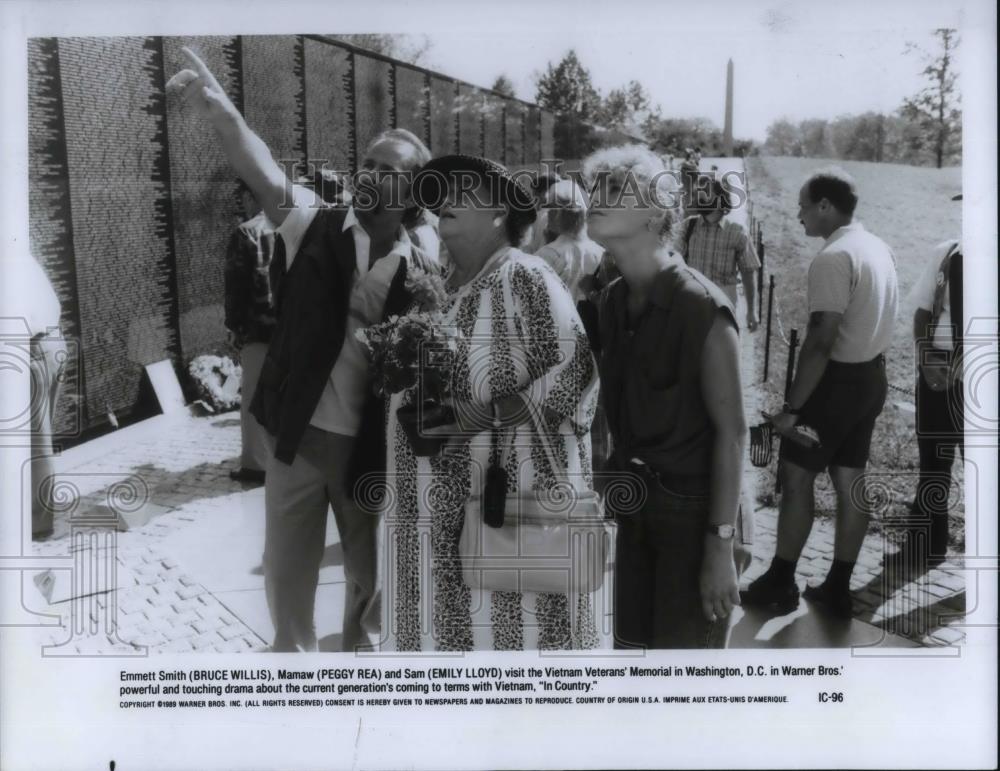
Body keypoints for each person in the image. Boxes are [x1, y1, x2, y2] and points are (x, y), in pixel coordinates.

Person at [168, 48, 438, 653]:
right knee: (289, 584)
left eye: (387, 169)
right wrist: (219, 107)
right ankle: (294, 672)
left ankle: (356, 678)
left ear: (413, 189)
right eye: (367, 163)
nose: (370, 174)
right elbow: (259, 167)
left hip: (366, 451)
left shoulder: (422, 268)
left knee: (368, 588)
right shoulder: (312, 223)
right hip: (297, 438)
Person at [377, 154, 605, 651]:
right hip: (432, 518)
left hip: (507, 516)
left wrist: (479, 416)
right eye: (442, 193)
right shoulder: (437, 288)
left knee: (508, 663)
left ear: (501, 212)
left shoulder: (523, 275)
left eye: (464, 191)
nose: (446, 202)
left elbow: (574, 373)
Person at [582, 145, 749, 649]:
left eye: (614, 188)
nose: (596, 197)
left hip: (697, 517)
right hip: (636, 511)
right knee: (634, 662)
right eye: (596, 187)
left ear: (657, 212)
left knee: (683, 682)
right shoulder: (612, 300)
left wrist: (720, 549)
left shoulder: (700, 305)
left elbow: (734, 434)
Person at [742, 167, 899, 619]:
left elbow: (820, 338)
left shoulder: (834, 257)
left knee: (795, 479)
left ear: (826, 206)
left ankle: (780, 579)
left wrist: (792, 409)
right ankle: (837, 586)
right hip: (870, 379)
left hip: (835, 385)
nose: (798, 215)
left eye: (803, 205)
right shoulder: (876, 246)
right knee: (850, 481)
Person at [898, 211, 963, 568]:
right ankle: (925, 549)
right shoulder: (947, 252)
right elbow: (922, 313)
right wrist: (925, 358)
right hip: (937, 370)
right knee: (933, 465)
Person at [8, 254, 66, 540]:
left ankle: (39, 524)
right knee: (37, 438)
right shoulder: (23, 257)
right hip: (54, 343)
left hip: (33, 351)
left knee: (36, 442)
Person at [673, 179, 760, 330]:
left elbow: (748, 272)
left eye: (706, 193)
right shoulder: (688, 226)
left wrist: (752, 311)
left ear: (721, 199)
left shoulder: (737, 232)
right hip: (691, 304)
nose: (699, 197)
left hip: (723, 308)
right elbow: (672, 261)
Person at [534, 178, 605, 301]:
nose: (547, 213)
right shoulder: (600, 253)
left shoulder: (545, 255)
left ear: (558, 213)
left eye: (550, 208)